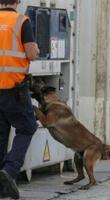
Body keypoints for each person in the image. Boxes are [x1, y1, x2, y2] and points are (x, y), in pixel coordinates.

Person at [0, 0, 40, 199]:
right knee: (27, 127)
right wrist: (36, 50)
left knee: (0, 135)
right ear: (18, 2)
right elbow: (31, 54)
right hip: (14, 89)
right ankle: (10, 169)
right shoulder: (21, 21)